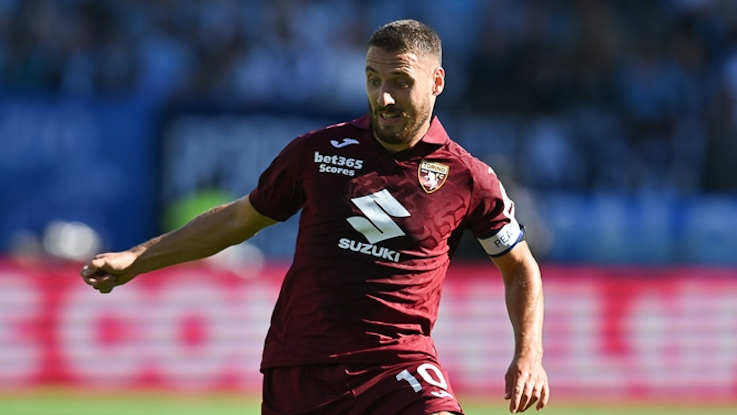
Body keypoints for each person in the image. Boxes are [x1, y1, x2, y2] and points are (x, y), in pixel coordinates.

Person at [80, 19, 549, 415]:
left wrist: (529, 355)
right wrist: (137, 258)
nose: (384, 97)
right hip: (301, 366)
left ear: (437, 82)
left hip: (398, 365)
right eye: (373, 79)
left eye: (401, 82)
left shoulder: (468, 178)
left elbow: (520, 267)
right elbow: (237, 220)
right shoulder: (318, 152)